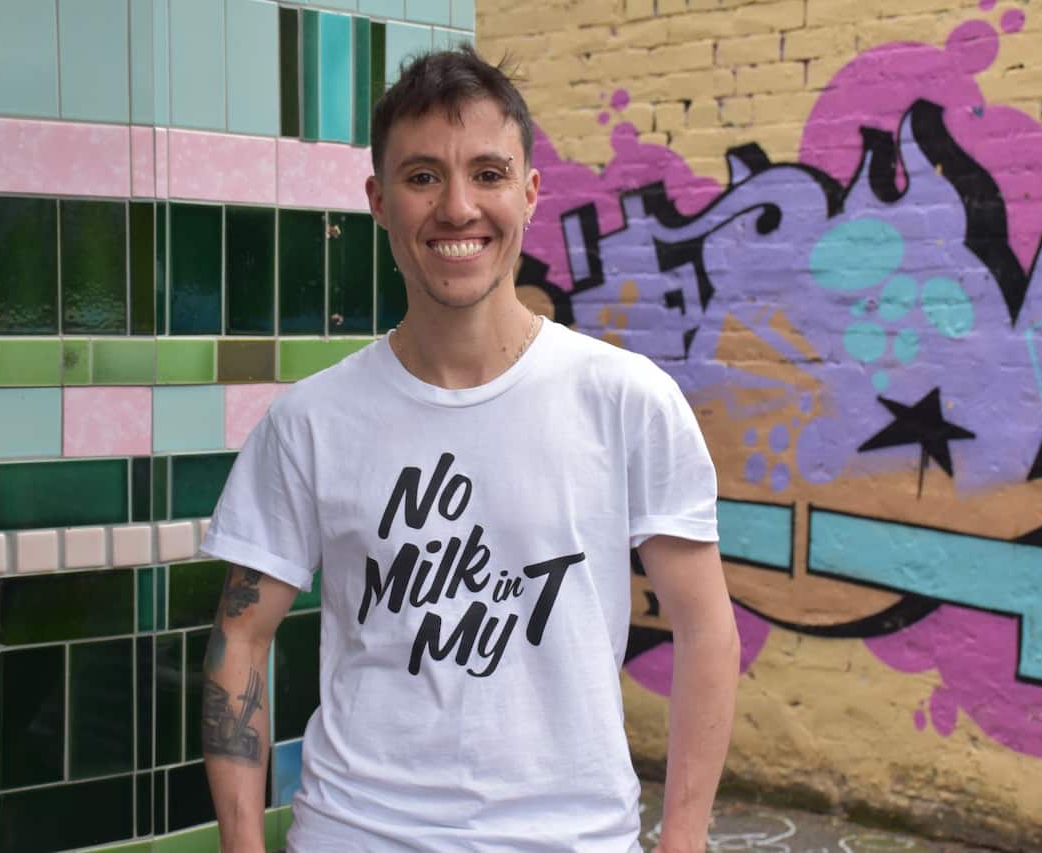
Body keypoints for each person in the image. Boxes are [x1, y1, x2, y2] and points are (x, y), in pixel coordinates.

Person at [200, 46, 740, 853]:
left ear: (529, 192)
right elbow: (240, 638)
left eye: (488, 174)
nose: (457, 208)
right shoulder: (310, 421)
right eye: (423, 177)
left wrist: (684, 840)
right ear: (378, 202)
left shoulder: (627, 400)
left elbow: (705, 631)